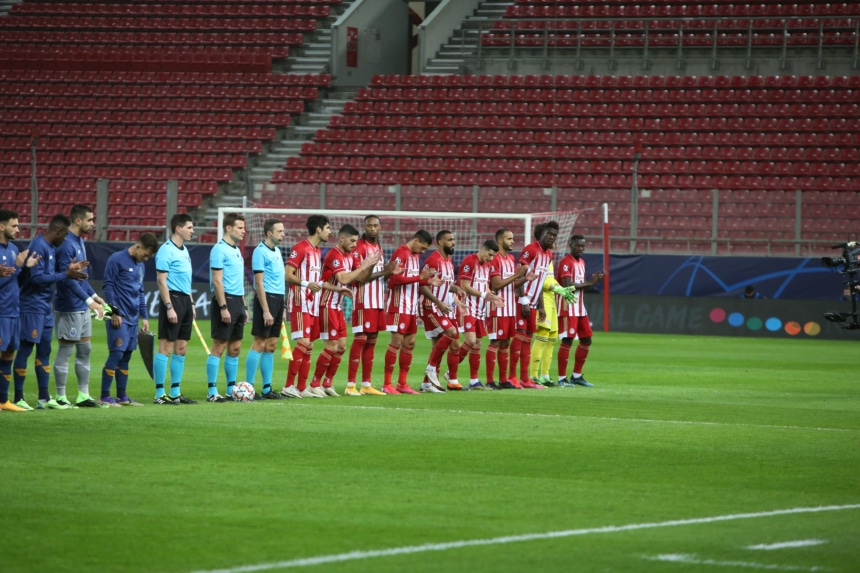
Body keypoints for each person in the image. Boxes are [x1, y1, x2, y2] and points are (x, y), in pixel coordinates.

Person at [14, 214, 88, 410]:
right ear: (58, 232)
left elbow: (52, 274)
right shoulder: (38, 246)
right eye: (64, 236)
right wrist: (65, 274)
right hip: (32, 307)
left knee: (45, 351)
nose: (64, 240)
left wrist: (71, 269)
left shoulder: (51, 248)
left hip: (45, 307)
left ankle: (44, 399)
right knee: (25, 350)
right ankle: (18, 398)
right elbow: (36, 278)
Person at [312, 224, 380, 396]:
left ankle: (328, 383)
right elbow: (343, 279)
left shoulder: (350, 255)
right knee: (332, 346)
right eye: (351, 241)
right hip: (327, 304)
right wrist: (362, 267)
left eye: (356, 241)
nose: (354, 245)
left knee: (341, 346)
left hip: (337, 306)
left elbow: (362, 278)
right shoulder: (334, 255)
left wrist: (370, 265)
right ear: (342, 238)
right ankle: (314, 383)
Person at [53, 204, 109, 408]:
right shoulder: (66, 244)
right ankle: (60, 397)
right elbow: (67, 279)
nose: (92, 224)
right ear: (78, 221)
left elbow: (80, 276)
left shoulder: (80, 242)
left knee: (85, 349)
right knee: (66, 351)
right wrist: (90, 302)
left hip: (82, 306)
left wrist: (95, 296)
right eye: (90, 220)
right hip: (68, 306)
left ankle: (83, 396)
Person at [99, 233, 159, 406]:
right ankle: (104, 396)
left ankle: (122, 397)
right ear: (138, 246)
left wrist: (144, 316)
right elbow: (108, 285)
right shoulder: (116, 259)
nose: (146, 259)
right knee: (116, 354)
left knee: (126, 357)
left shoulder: (140, 266)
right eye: (146, 255)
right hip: (119, 317)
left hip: (133, 319)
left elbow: (140, 292)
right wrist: (114, 312)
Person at [346, 215, 401, 395]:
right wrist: (384, 271)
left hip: (377, 301)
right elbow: (360, 278)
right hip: (363, 301)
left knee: (372, 342)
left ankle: (366, 384)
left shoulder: (378, 247)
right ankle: (350, 385)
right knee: (360, 339)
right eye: (369, 226)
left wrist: (390, 272)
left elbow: (379, 277)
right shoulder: (359, 248)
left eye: (375, 225)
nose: (372, 228)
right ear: (364, 227)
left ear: (380, 227)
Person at [281, 214, 334, 399]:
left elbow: (314, 281)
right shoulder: (300, 248)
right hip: (299, 302)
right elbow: (288, 274)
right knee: (303, 342)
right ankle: (288, 386)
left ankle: (302, 387)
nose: (330, 231)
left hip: (312, 303)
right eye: (327, 228)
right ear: (318, 229)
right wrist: (305, 284)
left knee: (309, 345)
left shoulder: (317, 250)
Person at [383, 230, 439, 394]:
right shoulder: (401, 253)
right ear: (415, 240)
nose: (422, 252)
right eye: (422, 247)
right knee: (396, 342)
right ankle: (387, 384)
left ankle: (402, 383)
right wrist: (421, 277)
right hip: (398, 305)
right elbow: (394, 280)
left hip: (411, 306)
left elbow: (415, 279)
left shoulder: (415, 256)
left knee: (410, 343)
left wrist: (429, 280)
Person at [508, 221, 559, 389]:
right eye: (549, 234)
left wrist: (541, 306)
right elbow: (520, 275)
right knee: (519, 338)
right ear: (541, 234)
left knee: (528, 340)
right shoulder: (530, 250)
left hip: (534, 303)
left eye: (554, 235)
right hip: (522, 301)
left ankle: (525, 379)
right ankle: (511, 377)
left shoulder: (548, 255)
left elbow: (540, 282)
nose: (552, 237)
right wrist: (523, 301)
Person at [153, 213, 197, 405]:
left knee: (182, 347)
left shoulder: (184, 250)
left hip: (185, 301)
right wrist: (169, 306)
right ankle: (159, 393)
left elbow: (186, 281)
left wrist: (192, 303)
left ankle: (175, 392)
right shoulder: (166, 250)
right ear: (178, 228)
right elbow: (161, 281)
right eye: (189, 227)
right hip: (172, 299)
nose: (192, 231)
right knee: (166, 346)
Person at [205, 213, 248, 402]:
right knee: (219, 345)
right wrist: (223, 307)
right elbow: (217, 281)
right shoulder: (219, 250)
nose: (243, 230)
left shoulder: (236, 250)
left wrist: (244, 306)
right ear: (229, 228)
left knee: (236, 347)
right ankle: (212, 390)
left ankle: (231, 389)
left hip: (238, 300)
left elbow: (238, 281)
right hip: (225, 301)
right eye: (240, 227)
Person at [0, 209, 38, 412]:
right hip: (1, 313)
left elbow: (17, 282)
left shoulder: (14, 249)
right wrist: (17, 267)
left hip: (14, 312)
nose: (18, 229)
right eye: (14, 225)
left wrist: (26, 268)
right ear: (1, 226)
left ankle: (3, 400)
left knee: (8, 355)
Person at [246, 218, 287, 400]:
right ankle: (249, 388)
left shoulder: (277, 251)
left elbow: (279, 281)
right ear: (269, 233)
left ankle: (267, 388)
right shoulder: (259, 252)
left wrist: (282, 305)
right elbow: (259, 283)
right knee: (259, 342)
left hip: (278, 299)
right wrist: (265, 310)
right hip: (266, 299)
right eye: (280, 231)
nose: (283, 234)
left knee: (271, 345)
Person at [486, 228, 532, 390]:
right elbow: (496, 285)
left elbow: (511, 284)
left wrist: (524, 278)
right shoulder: (495, 259)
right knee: (495, 341)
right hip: (496, 308)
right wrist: (518, 274)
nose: (513, 241)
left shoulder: (511, 258)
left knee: (506, 341)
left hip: (510, 308)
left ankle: (503, 380)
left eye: (513, 238)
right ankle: (490, 381)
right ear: (500, 241)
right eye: (509, 239)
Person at [556, 234, 605, 387]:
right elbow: (567, 285)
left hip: (579, 307)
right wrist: (590, 283)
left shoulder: (581, 262)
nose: (581, 248)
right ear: (571, 245)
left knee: (586, 338)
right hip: (567, 306)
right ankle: (562, 379)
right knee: (568, 340)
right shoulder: (566, 262)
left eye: (583, 246)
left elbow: (580, 284)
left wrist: (590, 282)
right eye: (578, 245)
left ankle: (576, 376)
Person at [421, 230, 463, 392]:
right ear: (440, 242)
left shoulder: (448, 261)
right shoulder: (434, 260)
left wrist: (456, 290)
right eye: (449, 240)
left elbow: (443, 285)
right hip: (430, 307)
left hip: (443, 308)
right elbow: (422, 284)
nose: (453, 242)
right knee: (452, 333)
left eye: (454, 239)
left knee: (444, 344)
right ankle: (431, 369)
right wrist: (438, 302)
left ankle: (428, 383)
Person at [457, 240, 503, 390]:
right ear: (483, 249)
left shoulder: (488, 265)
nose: (490, 259)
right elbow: (464, 286)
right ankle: (451, 372)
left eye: (493, 257)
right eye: (489, 255)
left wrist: (494, 297)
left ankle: (474, 381)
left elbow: (485, 286)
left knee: (477, 344)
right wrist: (484, 295)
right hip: (467, 307)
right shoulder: (470, 261)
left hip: (480, 310)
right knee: (470, 341)